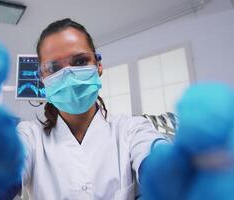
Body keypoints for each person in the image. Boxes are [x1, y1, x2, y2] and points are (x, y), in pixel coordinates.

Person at [17, 18, 167, 200]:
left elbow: (160, 166)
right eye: (53, 67)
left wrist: (174, 173)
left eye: (80, 61)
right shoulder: (29, 136)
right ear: (42, 79)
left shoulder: (132, 129)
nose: (68, 75)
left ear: (99, 65)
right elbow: (1, 178)